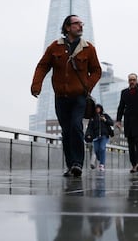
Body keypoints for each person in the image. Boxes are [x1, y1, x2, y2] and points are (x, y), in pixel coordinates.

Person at [31, 15, 102, 177]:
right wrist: (36, 85)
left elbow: (97, 70)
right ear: (67, 27)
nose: (80, 26)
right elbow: (42, 66)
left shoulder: (88, 48)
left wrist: (87, 87)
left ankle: (77, 163)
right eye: (76, 24)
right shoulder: (55, 47)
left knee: (76, 126)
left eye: (81, 23)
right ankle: (71, 165)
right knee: (66, 131)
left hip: (79, 97)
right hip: (61, 97)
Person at [115, 73, 138, 173]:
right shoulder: (124, 92)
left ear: (137, 80)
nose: (132, 82)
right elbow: (121, 107)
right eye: (130, 80)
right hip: (128, 121)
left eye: (133, 80)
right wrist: (118, 120)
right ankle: (134, 164)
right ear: (128, 81)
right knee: (130, 144)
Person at [84, 103, 113, 172]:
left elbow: (111, 123)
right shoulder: (92, 118)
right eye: (96, 108)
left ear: (101, 109)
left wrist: (105, 120)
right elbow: (89, 128)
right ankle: (101, 159)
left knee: (102, 148)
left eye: (99, 108)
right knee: (96, 150)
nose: (97, 109)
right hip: (96, 137)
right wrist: (88, 134)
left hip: (104, 136)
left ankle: (101, 165)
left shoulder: (105, 115)